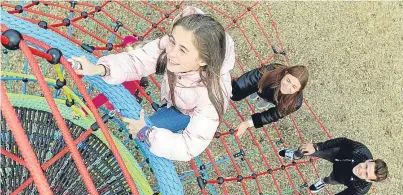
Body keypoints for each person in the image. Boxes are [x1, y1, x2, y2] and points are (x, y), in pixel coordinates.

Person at [71, 7, 235, 161]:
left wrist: (146, 133)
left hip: (187, 111)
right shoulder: (177, 42)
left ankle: (121, 152)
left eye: (182, 50)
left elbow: (189, 146)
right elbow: (138, 61)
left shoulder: (212, 97)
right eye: (172, 41)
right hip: (175, 93)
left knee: (151, 127)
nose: (171, 52)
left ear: (203, 60)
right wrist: (100, 68)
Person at [279, 137, 389, 195]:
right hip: (337, 155)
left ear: (369, 180)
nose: (361, 170)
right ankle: (296, 154)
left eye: (365, 174)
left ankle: (323, 182)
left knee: (331, 179)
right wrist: (317, 146)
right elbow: (341, 141)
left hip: (341, 177)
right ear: (369, 160)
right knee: (306, 150)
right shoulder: (360, 150)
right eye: (365, 166)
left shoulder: (360, 189)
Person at [231, 63, 308, 137]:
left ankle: (265, 100)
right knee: (253, 90)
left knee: (265, 102)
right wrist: (233, 92)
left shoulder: (295, 103)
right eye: (288, 80)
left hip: (275, 99)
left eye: (294, 87)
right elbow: (248, 80)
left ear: (299, 90)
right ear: (285, 73)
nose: (287, 87)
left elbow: (273, 115)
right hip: (261, 87)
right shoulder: (269, 71)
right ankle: (257, 93)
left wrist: (248, 123)